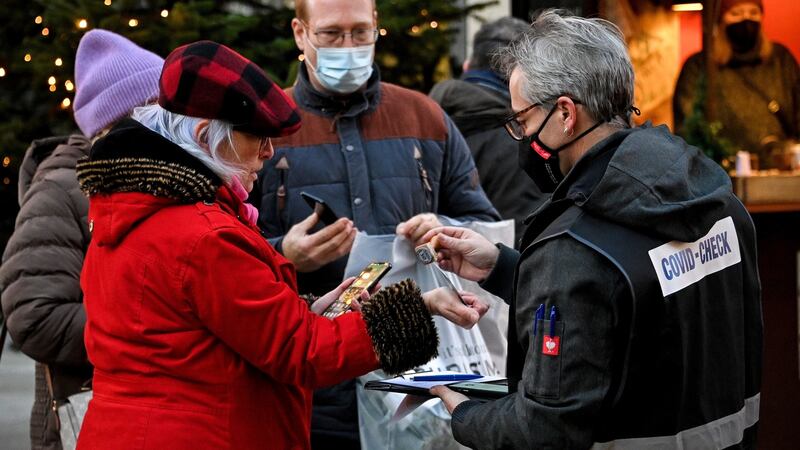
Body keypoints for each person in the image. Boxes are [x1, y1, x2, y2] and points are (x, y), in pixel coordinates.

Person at [72, 40, 485, 450]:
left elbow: (201, 333)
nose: (270, 153)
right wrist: (420, 306)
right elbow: (303, 352)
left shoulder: (132, 208)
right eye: (258, 138)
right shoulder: (204, 235)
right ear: (205, 136)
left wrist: (304, 312)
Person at [422, 10, 762, 449]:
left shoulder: (572, 249)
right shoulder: (721, 205)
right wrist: (507, 268)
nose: (521, 138)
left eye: (522, 121)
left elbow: (545, 429)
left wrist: (464, 414)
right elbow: (631, 308)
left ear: (565, 113)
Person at [249, 0, 500, 447]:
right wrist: (283, 255)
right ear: (299, 33)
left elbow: (485, 227)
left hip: (421, 382)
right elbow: (223, 250)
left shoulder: (425, 117)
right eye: (331, 34)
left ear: (376, 28)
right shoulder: (265, 127)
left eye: (360, 32)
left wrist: (441, 226)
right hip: (313, 393)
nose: (348, 46)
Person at [0, 29, 164, 450]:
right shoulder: (59, 190)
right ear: (116, 121)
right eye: (155, 110)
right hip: (85, 419)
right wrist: (152, 328)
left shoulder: (151, 180)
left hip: (149, 414)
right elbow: (33, 317)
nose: (168, 123)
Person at [430, 17, 543, 243]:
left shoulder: (420, 124)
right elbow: (526, 239)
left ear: (467, 65)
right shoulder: (524, 142)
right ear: (523, 78)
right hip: (493, 271)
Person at [674, 0, 800, 167]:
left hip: (779, 168)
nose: (746, 19)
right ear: (721, 19)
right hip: (722, 173)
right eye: (736, 13)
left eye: (753, 13)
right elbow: (689, 128)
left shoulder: (781, 60)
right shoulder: (700, 66)